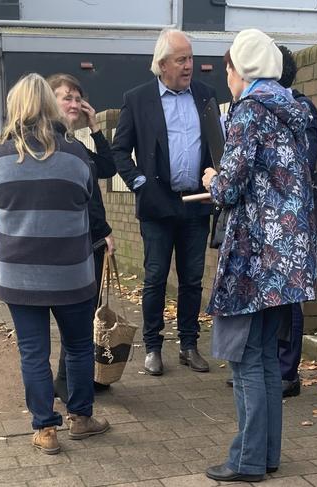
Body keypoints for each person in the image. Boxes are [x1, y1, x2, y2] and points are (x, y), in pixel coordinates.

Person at [201, 30, 317, 481]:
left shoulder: (249, 111)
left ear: (242, 69)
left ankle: (247, 461)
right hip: (289, 259)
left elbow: (229, 187)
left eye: (227, 67)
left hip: (255, 258)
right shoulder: (295, 109)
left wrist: (213, 176)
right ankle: (266, 455)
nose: (226, 76)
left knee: (248, 360)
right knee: (267, 358)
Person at [0, 73, 109, 455]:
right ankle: (81, 418)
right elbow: (86, 196)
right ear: (50, 105)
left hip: (18, 273)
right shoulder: (75, 155)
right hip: (71, 272)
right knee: (77, 346)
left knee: (33, 351)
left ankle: (44, 429)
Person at [112, 28, 216, 376]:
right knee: (155, 278)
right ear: (162, 64)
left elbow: (217, 145)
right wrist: (139, 183)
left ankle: (189, 344)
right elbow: (119, 151)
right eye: (181, 59)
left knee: (192, 279)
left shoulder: (205, 95)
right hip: (157, 206)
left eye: (190, 58)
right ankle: (153, 347)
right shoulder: (137, 98)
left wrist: (215, 171)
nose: (189, 65)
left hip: (197, 204)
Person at [46, 73, 117, 399]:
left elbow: (109, 166)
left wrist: (95, 127)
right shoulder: (55, 146)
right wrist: (103, 233)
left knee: (82, 317)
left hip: (92, 241)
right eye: (66, 97)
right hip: (78, 243)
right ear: (49, 102)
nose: (74, 104)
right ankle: (69, 383)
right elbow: (83, 201)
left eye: (77, 98)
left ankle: (70, 380)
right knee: (76, 318)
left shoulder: (77, 145)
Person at [276, 45, 317, 398]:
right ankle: (269, 367)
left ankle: (287, 372)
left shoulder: (300, 109)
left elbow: (302, 167)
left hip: (290, 222)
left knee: (290, 297)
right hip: (269, 222)